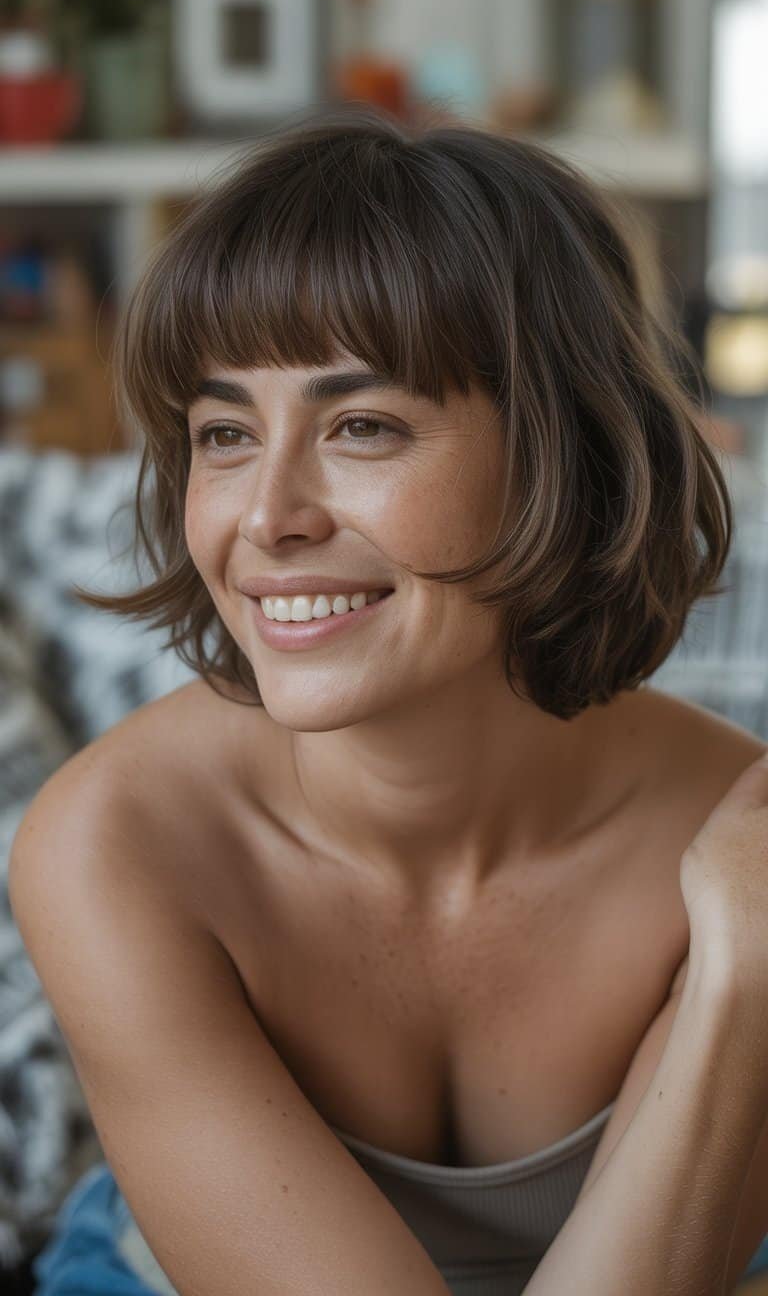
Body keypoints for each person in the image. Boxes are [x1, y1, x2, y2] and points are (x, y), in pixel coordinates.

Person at [8, 104, 768, 1296]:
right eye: (223, 432)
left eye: (362, 425)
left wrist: (744, 970)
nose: (266, 519)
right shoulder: (117, 845)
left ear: (566, 453)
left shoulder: (734, 854)